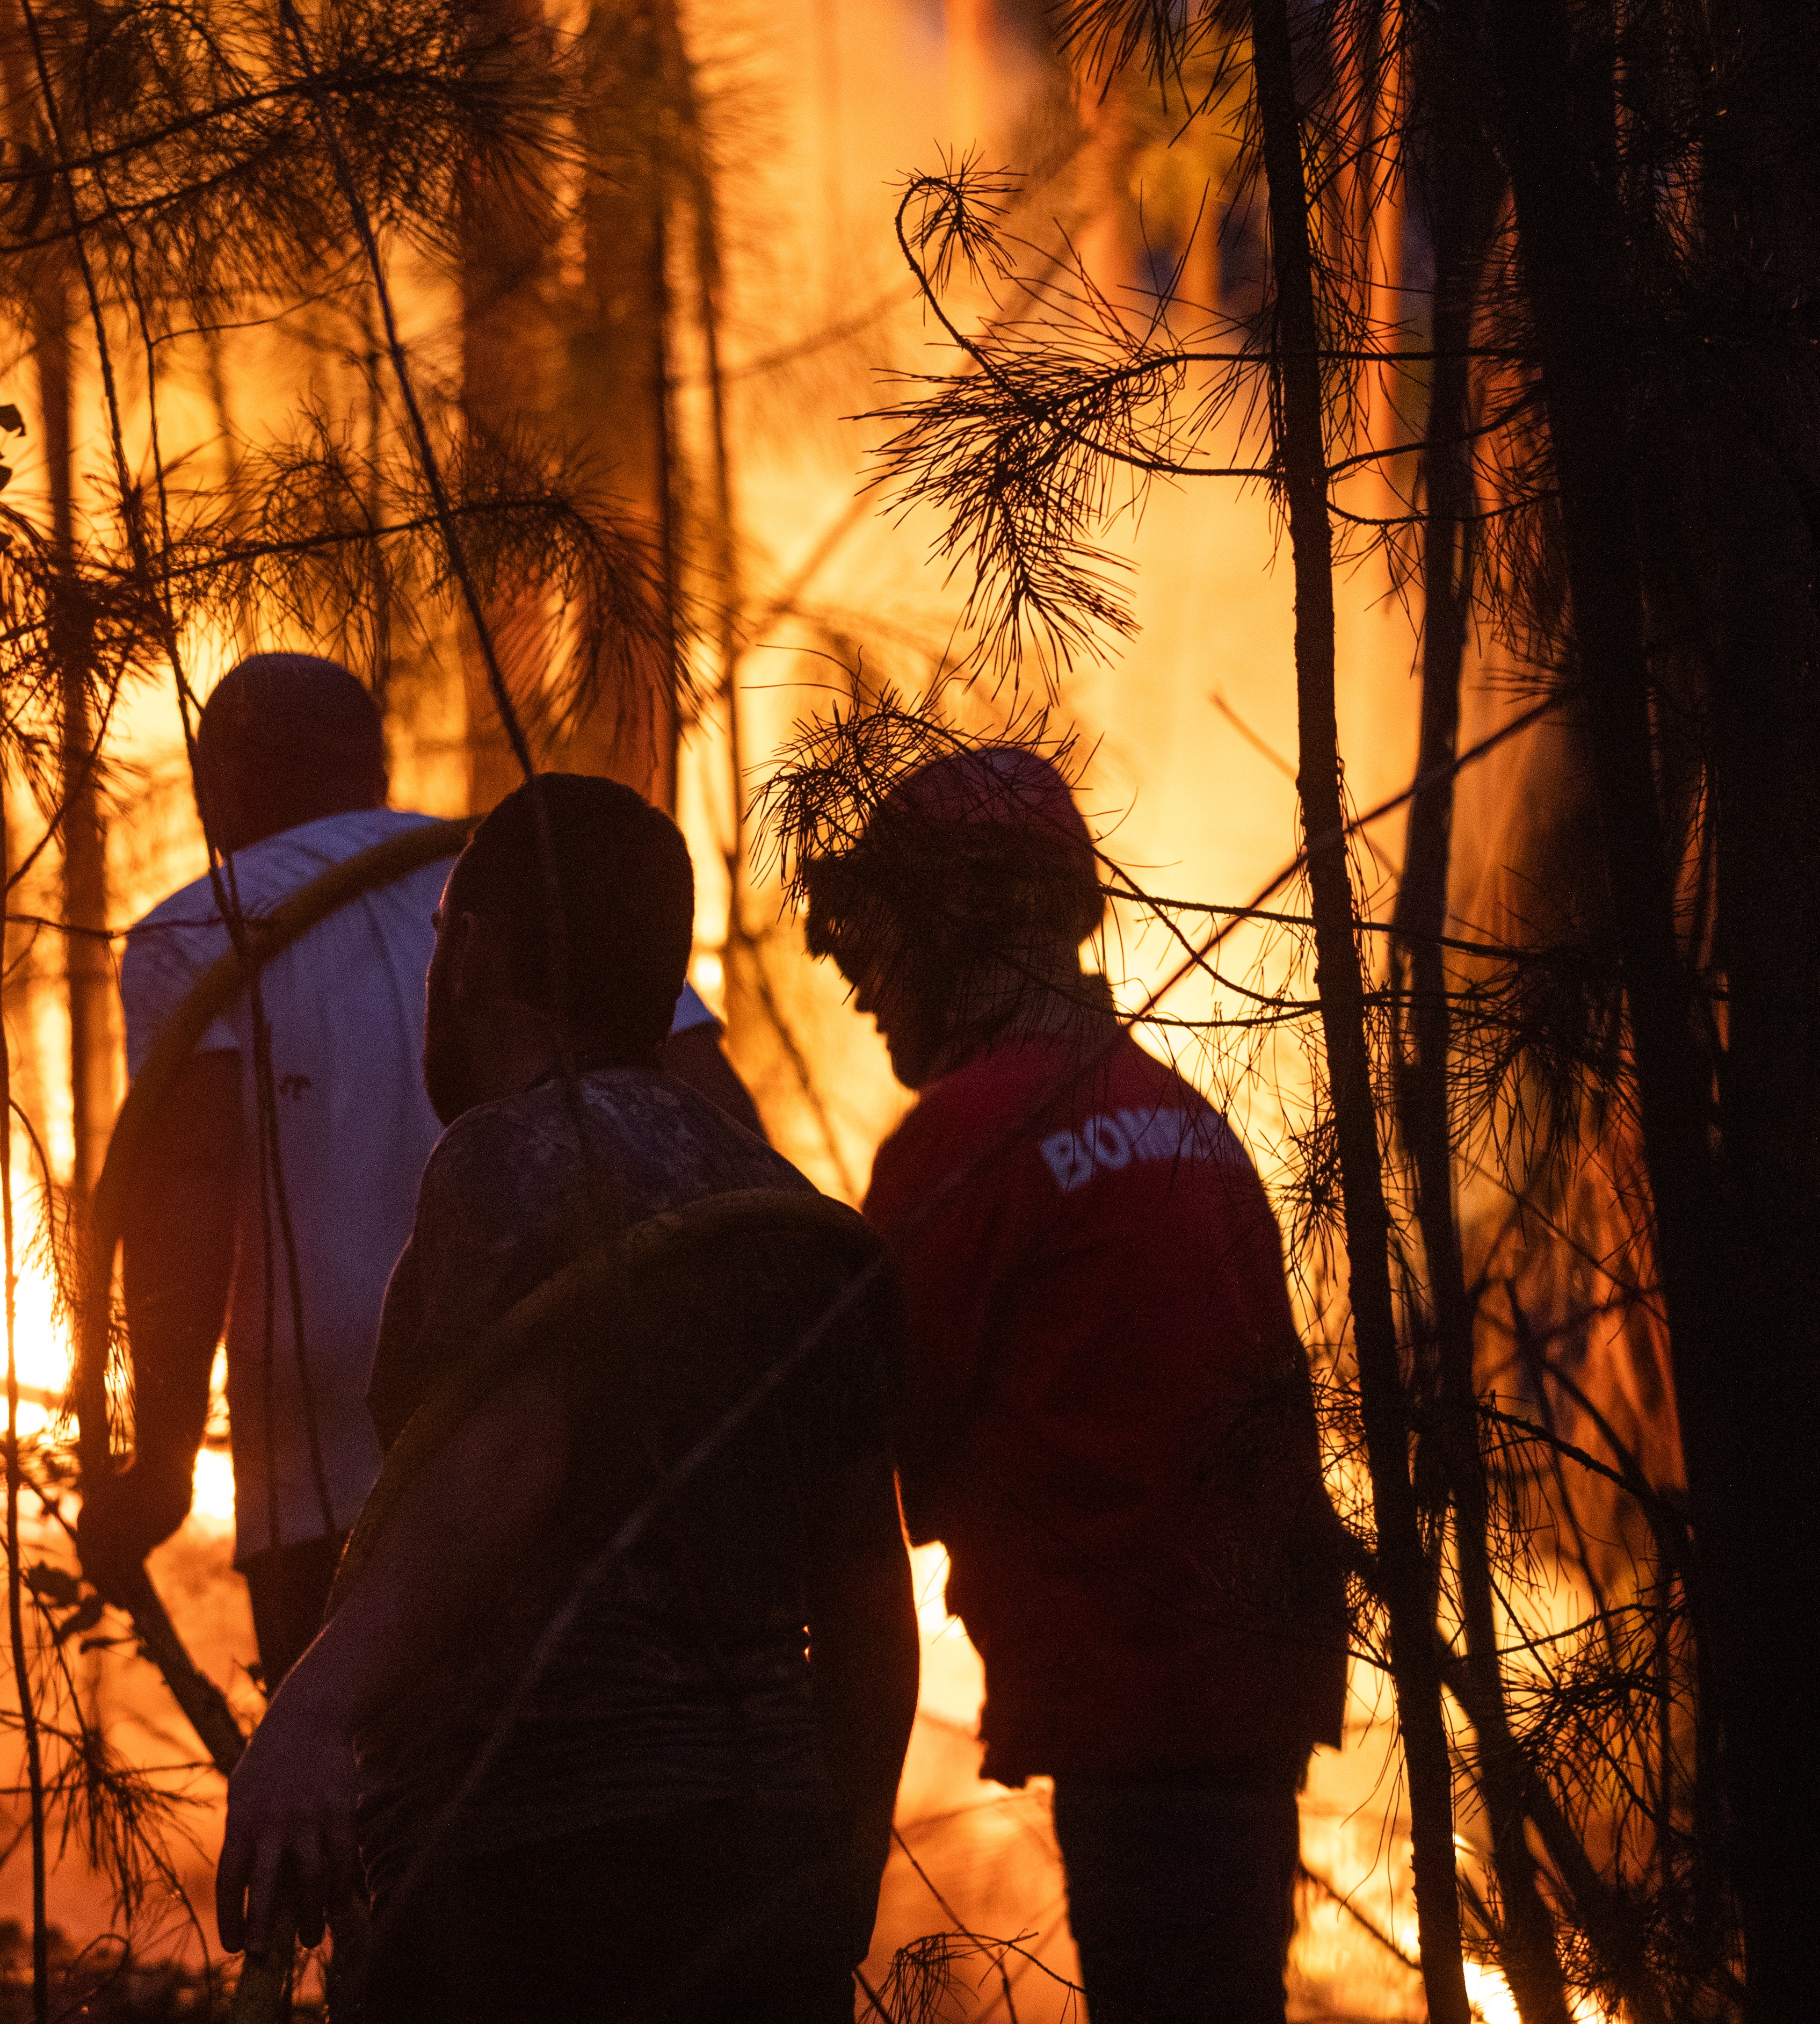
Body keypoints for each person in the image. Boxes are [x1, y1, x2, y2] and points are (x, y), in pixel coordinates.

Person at [217, 773, 916, 2023]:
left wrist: (310, 1714)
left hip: (535, 1871)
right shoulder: (790, 1213)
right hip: (765, 1859)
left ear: (475, 953)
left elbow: (506, 1463)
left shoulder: (511, 1155)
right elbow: (866, 1576)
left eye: (437, 938)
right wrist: (846, 1854)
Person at [82, 653, 762, 1685]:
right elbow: (721, 1126)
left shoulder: (197, 929)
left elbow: (186, 1187)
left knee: (377, 1816)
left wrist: (162, 1468)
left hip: (345, 1482)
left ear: (218, 773)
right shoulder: (537, 882)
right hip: (619, 1445)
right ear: (377, 763)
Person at [801, 744, 1349, 2024]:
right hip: (1239, 1697)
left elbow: (864, 1438)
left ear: (953, 924)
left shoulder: (965, 1136)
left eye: (880, 937)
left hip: (1140, 1700)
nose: (865, 988)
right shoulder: (1182, 1117)